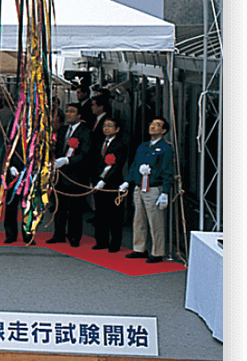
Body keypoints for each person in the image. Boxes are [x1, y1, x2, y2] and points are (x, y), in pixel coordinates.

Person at [122, 117, 174, 264]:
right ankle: (139, 248)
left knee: (155, 221)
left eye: (157, 125)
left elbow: (167, 171)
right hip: (139, 187)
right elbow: (134, 165)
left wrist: (165, 192)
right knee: (139, 219)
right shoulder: (143, 146)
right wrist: (127, 181)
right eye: (152, 124)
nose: (153, 127)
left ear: (163, 131)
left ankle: (157, 252)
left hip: (153, 188)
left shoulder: (165, 148)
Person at [49, 103, 92, 247]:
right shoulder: (62, 130)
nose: (68, 114)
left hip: (76, 175)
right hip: (60, 175)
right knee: (59, 206)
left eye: (72, 112)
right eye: (67, 111)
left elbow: (85, 154)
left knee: (75, 209)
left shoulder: (85, 132)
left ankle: (74, 236)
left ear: (79, 115)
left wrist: (67, 160)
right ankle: (58, 234)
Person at [91, 116, 128, 252]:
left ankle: (115, 243)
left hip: (113, 184)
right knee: (100, 213)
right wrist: (95, 180)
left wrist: (104, 180)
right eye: (105, 125)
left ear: (117, 129)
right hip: (97, 183)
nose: (106, 128)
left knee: (114, 216)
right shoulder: (99, 142)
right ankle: (101, 241)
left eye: (110, 126)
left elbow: (117, 166)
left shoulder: (120, 144)